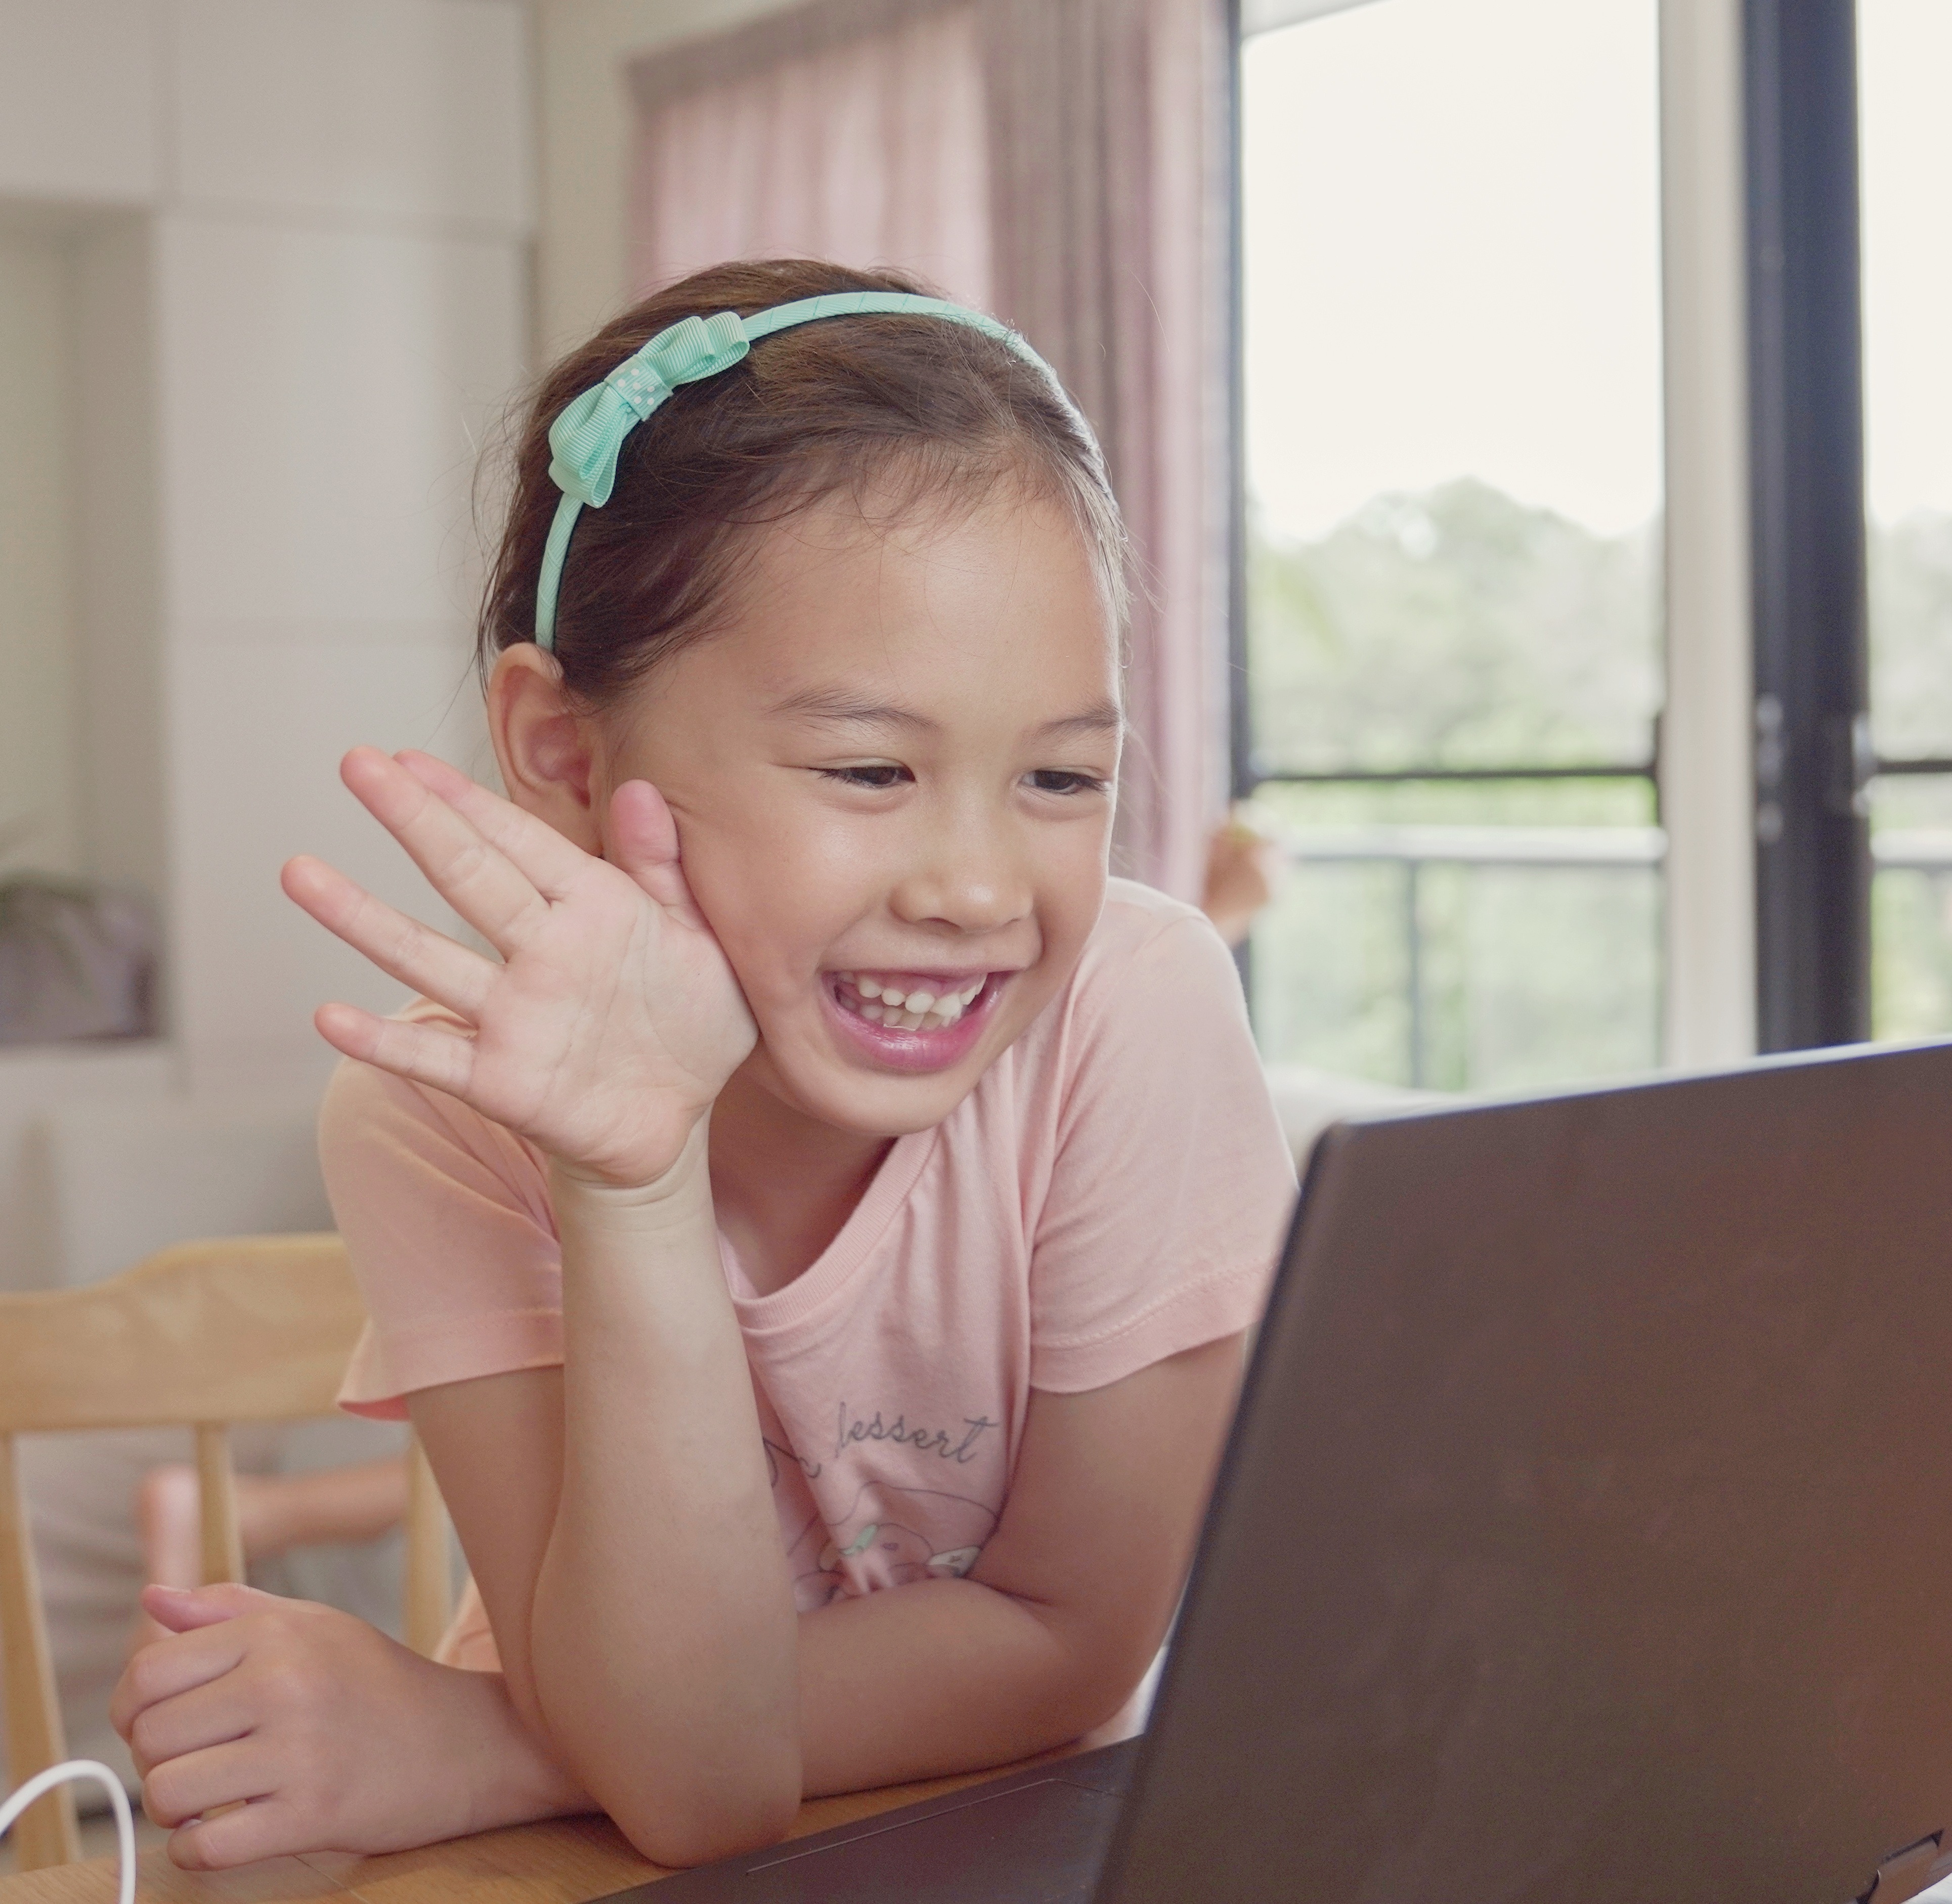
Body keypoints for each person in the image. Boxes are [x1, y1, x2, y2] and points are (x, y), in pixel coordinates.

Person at [106, 259, 1295, 1872]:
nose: (976, 887)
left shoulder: (1133, 1007)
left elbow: (1068, 1646)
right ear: (566, 754)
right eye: (871, 767)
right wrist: (633, 1175)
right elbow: (691, 1795)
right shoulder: (436, 1119)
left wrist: (483, 1740)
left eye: (1064, 776)